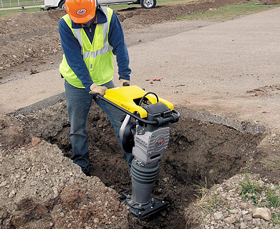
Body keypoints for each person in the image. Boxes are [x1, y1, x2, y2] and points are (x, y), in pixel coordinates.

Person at [59, 0, 133, 176]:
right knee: (77, 129)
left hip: (104, 80)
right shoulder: (66, 23)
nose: (83, 22)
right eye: (79, 19)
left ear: (95, 7)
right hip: (76, 82)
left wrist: (124, 77)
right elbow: (73, 59)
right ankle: (81, 167)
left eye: (86, 18)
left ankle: (134, 167)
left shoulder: (109, 17)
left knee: (122, 122)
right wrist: (89, 85)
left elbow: (120, 46)